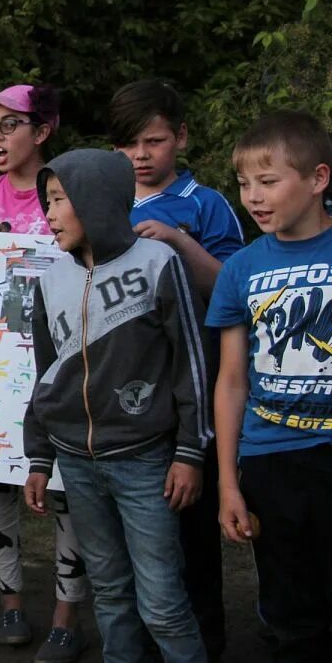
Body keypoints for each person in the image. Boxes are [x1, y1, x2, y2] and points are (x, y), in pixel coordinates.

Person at [24, 148, 210, 663]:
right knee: (109, 593)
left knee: (164, 605)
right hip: (77, 465)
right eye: (47, 201)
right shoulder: (51, 280)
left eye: (60, 200)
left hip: (146, 462)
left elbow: (192, 364)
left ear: (98, 201)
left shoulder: (158, 265)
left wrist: (191, 452)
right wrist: (40, 456)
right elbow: (46, 375)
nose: (50, 213)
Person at [109, 79, 243, 660]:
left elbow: (236, 288)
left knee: (189, 524)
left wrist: (176, 242)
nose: (141, 155)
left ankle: (204, 641)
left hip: (193, 387)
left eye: (154, 141)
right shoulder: (101, 199)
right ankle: (139, 640)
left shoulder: (207, 203)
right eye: (129, 144)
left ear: (181, 137)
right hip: (124, 392)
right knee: (133, 528)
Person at [0, 84, 89, 662]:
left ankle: (67, 615)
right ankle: (11, 602)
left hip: (65, 363)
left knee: (65, 490)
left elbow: (91, 256)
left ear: (42, 131)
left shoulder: (66, 187)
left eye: (9, 125)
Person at [208, 111, 332, 662]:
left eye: (269, 180)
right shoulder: (241, 269)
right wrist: (228, 483)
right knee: (290, 611)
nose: (253, 196)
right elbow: (232, 381)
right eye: (243, 184)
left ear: (318, 179)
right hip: (271, 460)